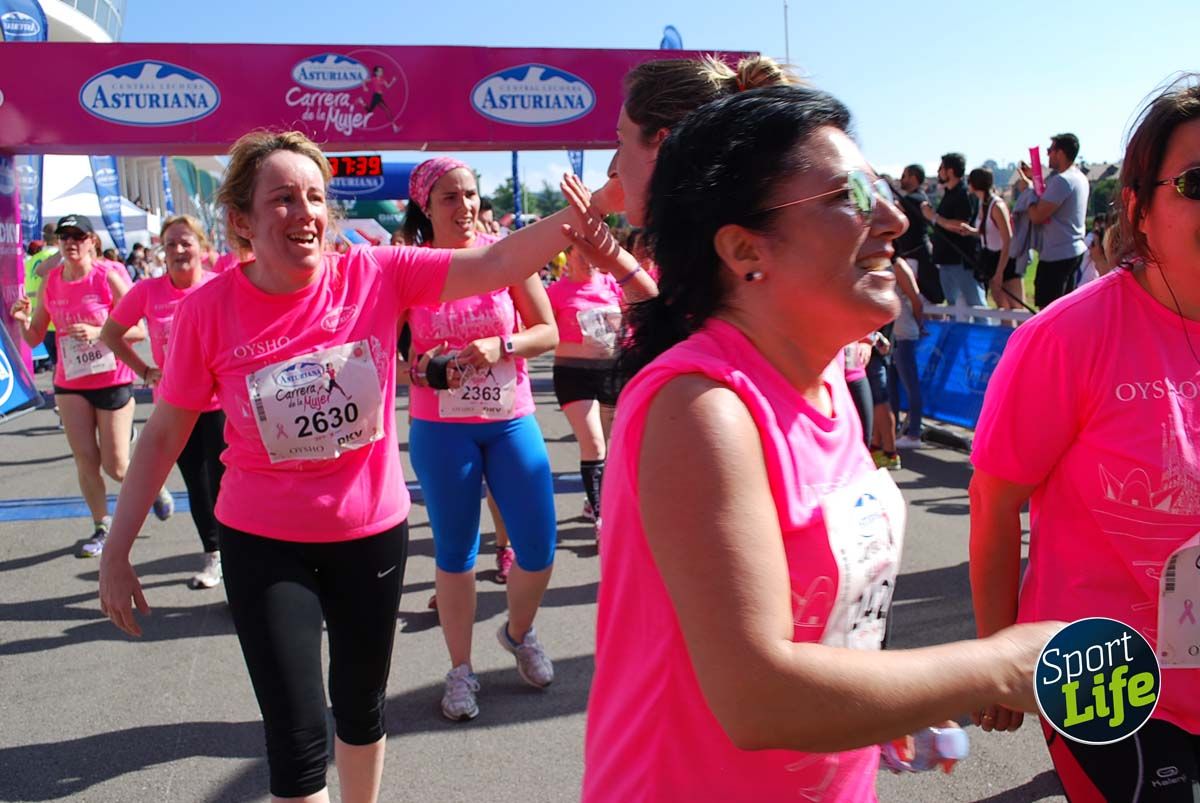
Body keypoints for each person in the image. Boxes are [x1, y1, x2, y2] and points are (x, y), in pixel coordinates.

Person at [95, 130, 616, 803]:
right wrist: (118, 548)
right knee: (298, 732)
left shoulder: (375, 273)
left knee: (361, 709)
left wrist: (601, 201)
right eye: (281, 199)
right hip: (263, 541)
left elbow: (498, 262)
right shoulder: (207, 311)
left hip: (368, 533)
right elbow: (165, 431)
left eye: (314, 196)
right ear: (242, 220)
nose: (303, 212)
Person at [583, 84, 1059, 801]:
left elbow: (824, 613)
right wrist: (999, 664)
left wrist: (886, 701)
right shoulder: (701, 407)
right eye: (851, 197)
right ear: (745, 249)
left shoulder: (826, 382)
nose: (894, 219)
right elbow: (759, 694)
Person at [970, 75, 1200, 800]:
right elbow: (994, 500)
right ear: (1138, 205)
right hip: (1108, 673)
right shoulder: (1067, 337)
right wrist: (998, 655)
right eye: (1198, 181)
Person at [400, 156, 564, 722]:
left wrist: (505, 346)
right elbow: (394, 358)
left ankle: (518, 633)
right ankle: (461, 670)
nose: (465, 206)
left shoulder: (507, 256)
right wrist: (427, 369)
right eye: (449, 197)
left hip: (509, 418)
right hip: (442, 429)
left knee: (539, 550)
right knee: (455, 554)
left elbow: (548, 330)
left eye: (470, 194)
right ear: (426, 205)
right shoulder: (411, 266)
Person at [8, 215, 172, 558]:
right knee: (85, 459)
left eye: (78, 236)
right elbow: (36, 335)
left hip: (111, 377)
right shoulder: (52, 281)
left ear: (92, 241)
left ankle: (152, 485)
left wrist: (99, 332)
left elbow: (139, 329)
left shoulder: (108, 277)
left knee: (117, 467)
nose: (71, 243)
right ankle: (101, 526)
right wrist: (22, 321)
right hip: (70, 382)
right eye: (65, 237)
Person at [101, 215, 226, 590]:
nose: (177, 250)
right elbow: (111, 334)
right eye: (170, 244)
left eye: (185, 242)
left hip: (222, 404)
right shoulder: (147, 291)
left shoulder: (220, 286)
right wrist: (144, 370)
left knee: (229, 483)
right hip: (176, 407)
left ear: (202, 248)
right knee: (199, 484)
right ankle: (214, 554)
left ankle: (242, 555)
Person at [545, 245, 656, 534]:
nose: (591, 260)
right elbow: (540, 329)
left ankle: (597, 499)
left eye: (593, 253)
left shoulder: (612, 286)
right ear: (567, 255)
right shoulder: (556, 292)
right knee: (594, 443)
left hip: (611, 372)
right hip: (573, 374)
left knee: (612, 447)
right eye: (582, 253)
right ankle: (601, 519)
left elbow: (635, 320)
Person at [1026, 132, 1089, 309]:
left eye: (1050, 150)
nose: (1047, 154)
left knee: (1049, 310)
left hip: (1057, 255)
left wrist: (1030, 191)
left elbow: (1037, 215)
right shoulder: (1079, 178)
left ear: (1060, 152)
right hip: (1072, 250)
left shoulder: (1062, 180)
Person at [922, 153, 987, 316]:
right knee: (953, 308)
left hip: (961, 261)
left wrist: (934, 217)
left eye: (941, 168)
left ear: (950, 171)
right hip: (946, 261)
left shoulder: (964, 194)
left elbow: (961, 225)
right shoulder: (949, 194)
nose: (938, 172)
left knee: (976, 307)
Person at [961, 167, 1012, 312]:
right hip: (990, 257)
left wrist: (1000, 271)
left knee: (1013, 305)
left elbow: (1007, 239)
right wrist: (972, 232)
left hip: (1003, 258)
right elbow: (988, 232)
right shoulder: (982, 203)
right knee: (1000, 304)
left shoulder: (996, 206)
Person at [889, 258, 926, 449]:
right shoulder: (885, 265)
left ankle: (914, 433)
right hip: (892, 334)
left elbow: (916, 300)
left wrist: (920, 326)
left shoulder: (900, 267)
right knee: (891, 388)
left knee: (910, 385)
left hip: (905, 333)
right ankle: (893, 430)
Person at [894, 164, 943, 304]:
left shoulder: (915, 199)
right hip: (914, 255)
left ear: (913, 178)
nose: (901, 179)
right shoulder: (916, 198)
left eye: (904, 176)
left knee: (921, 299)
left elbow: (900, 207)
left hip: (917, 257)